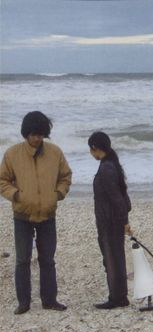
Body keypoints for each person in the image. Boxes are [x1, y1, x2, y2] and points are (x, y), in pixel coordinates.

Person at [0, 111, 72, 315]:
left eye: (40, 134)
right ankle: (24, 302)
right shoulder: (12, 154)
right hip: (22, 215)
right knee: (22, 259)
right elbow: (2, 181)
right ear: (25, 133)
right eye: (33, 134)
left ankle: (49, 300)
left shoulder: (55, 152)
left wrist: (58, 194)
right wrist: (16, 195)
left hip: (48, 215)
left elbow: (65, 176)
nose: (36, 138)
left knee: (47, 259)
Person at [88, 131, 132, 309]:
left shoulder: (106, 168)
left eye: (91, 151)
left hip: (109, 221)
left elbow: (117, 198)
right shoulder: (112, 164)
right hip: (112, 220)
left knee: (112, 259)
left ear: (94, 148)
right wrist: (124, 219)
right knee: (115, 257)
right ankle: (119, 296)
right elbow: (123, 196)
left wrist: (124, 221)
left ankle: (117, 298)